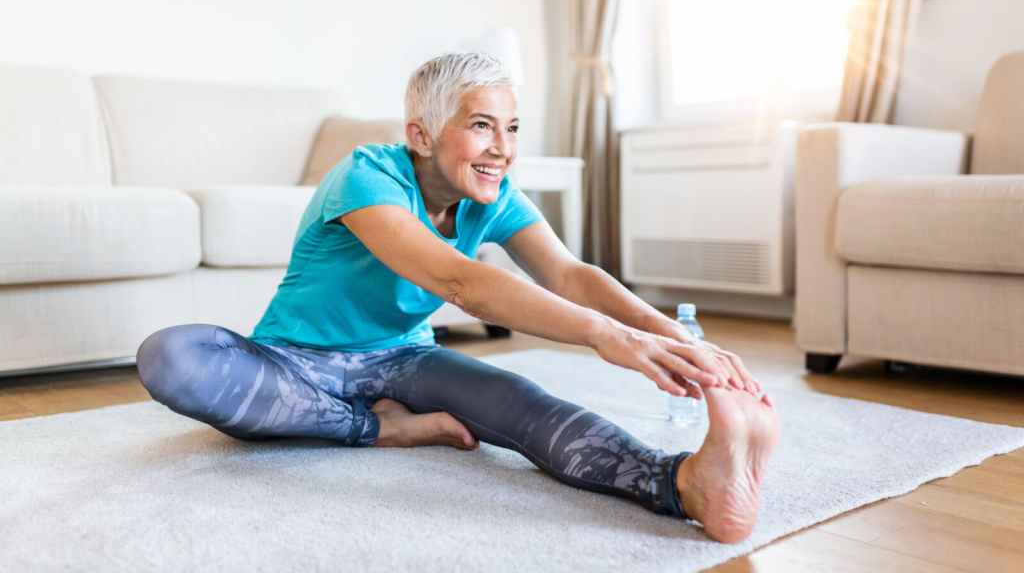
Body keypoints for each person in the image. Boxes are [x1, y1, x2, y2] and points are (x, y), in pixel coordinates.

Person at [136, 51, 780, 544]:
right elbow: (461, 283)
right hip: (296, 361)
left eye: (511, 127)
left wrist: (662, 331)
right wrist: (604, 336)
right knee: (173, 356)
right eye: (480, 126)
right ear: (422, 135)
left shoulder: (496, 195)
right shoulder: (367, 176)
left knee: (520, 402)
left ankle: (684, 483)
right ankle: (377, 430)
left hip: (407, 359)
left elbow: (567, 273)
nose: (502, 148)